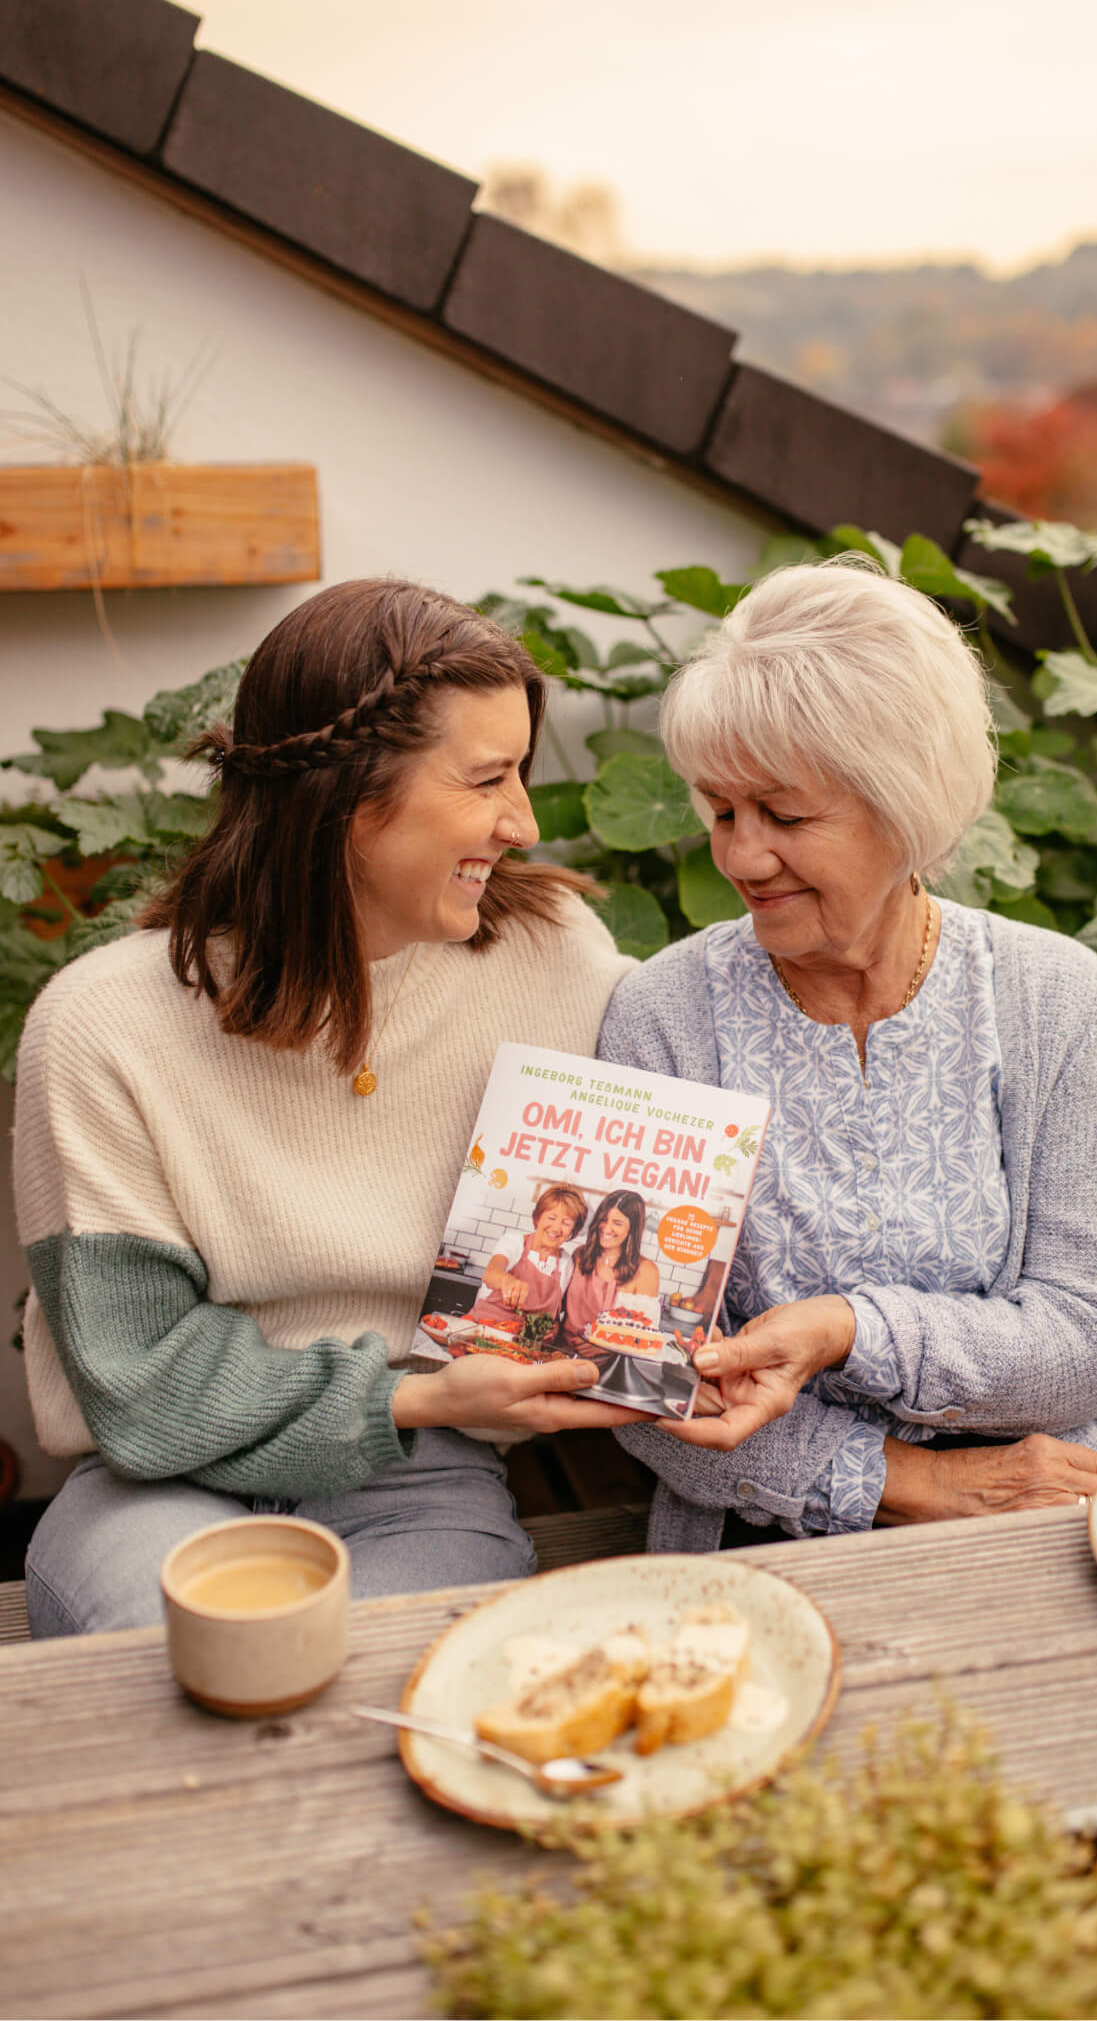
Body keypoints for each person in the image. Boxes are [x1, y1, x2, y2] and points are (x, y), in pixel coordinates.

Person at [16, 579, 642, 1635]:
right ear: (352, 803)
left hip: (416, 1479)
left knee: (413, 1669)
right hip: (159, 1481)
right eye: (488, 778)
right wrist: (422, 1395)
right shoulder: (102, 1029)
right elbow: (141, 1380)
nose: (524, 821)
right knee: (187, 1663)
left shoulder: (554, 964)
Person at [597, 559, 1097, 1553]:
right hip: (768, 1524)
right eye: (720, 811)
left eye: (784, 815)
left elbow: (1085, 1332)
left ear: (904, 805)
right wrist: (907, 1480)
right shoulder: (663, 1014)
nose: (739, 856)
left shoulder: (1050, 999)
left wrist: (849, 1328)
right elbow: (637, 1370)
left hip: (1048, 1492)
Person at [463, 1183, 589, 1331]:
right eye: (551, 1217)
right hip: (481, 1328)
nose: (556, 1228)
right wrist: (508, 1282)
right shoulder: (514, 1242)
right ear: (538, 1218)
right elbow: (491, 1273)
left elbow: (554, 1313)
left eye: (566, 1223)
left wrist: (553, 1328)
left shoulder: (566, 1263)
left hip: (523, 1345)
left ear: (573, 1231)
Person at [561, 1190, 660, 1348]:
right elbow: (559, 1306)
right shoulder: (580, 1254)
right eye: (603, 1220)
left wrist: (603, 1349)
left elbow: (644, 1337)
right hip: (562, 1348)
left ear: (632, 1229)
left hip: (608, 1363)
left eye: (617, 1223)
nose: (606, 1229)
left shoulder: (646, 1270)